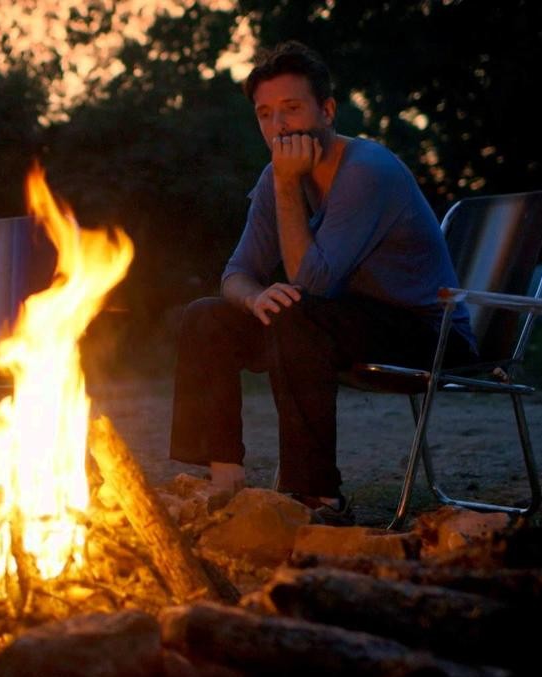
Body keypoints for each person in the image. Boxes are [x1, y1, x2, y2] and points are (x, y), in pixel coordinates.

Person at [168, 41, 477, 525]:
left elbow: (311, 282)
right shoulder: (277, 176)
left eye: (291, 110)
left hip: (428, 332)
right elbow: (236, 274)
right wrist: (254, 299)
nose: (279, 127)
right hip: (340, 322)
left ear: (327, 110)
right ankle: (224, 481)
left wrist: (288, 185)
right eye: (265, 115)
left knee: (296, 311)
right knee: (207, 315)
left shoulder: (366, 172)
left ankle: (316, 499)